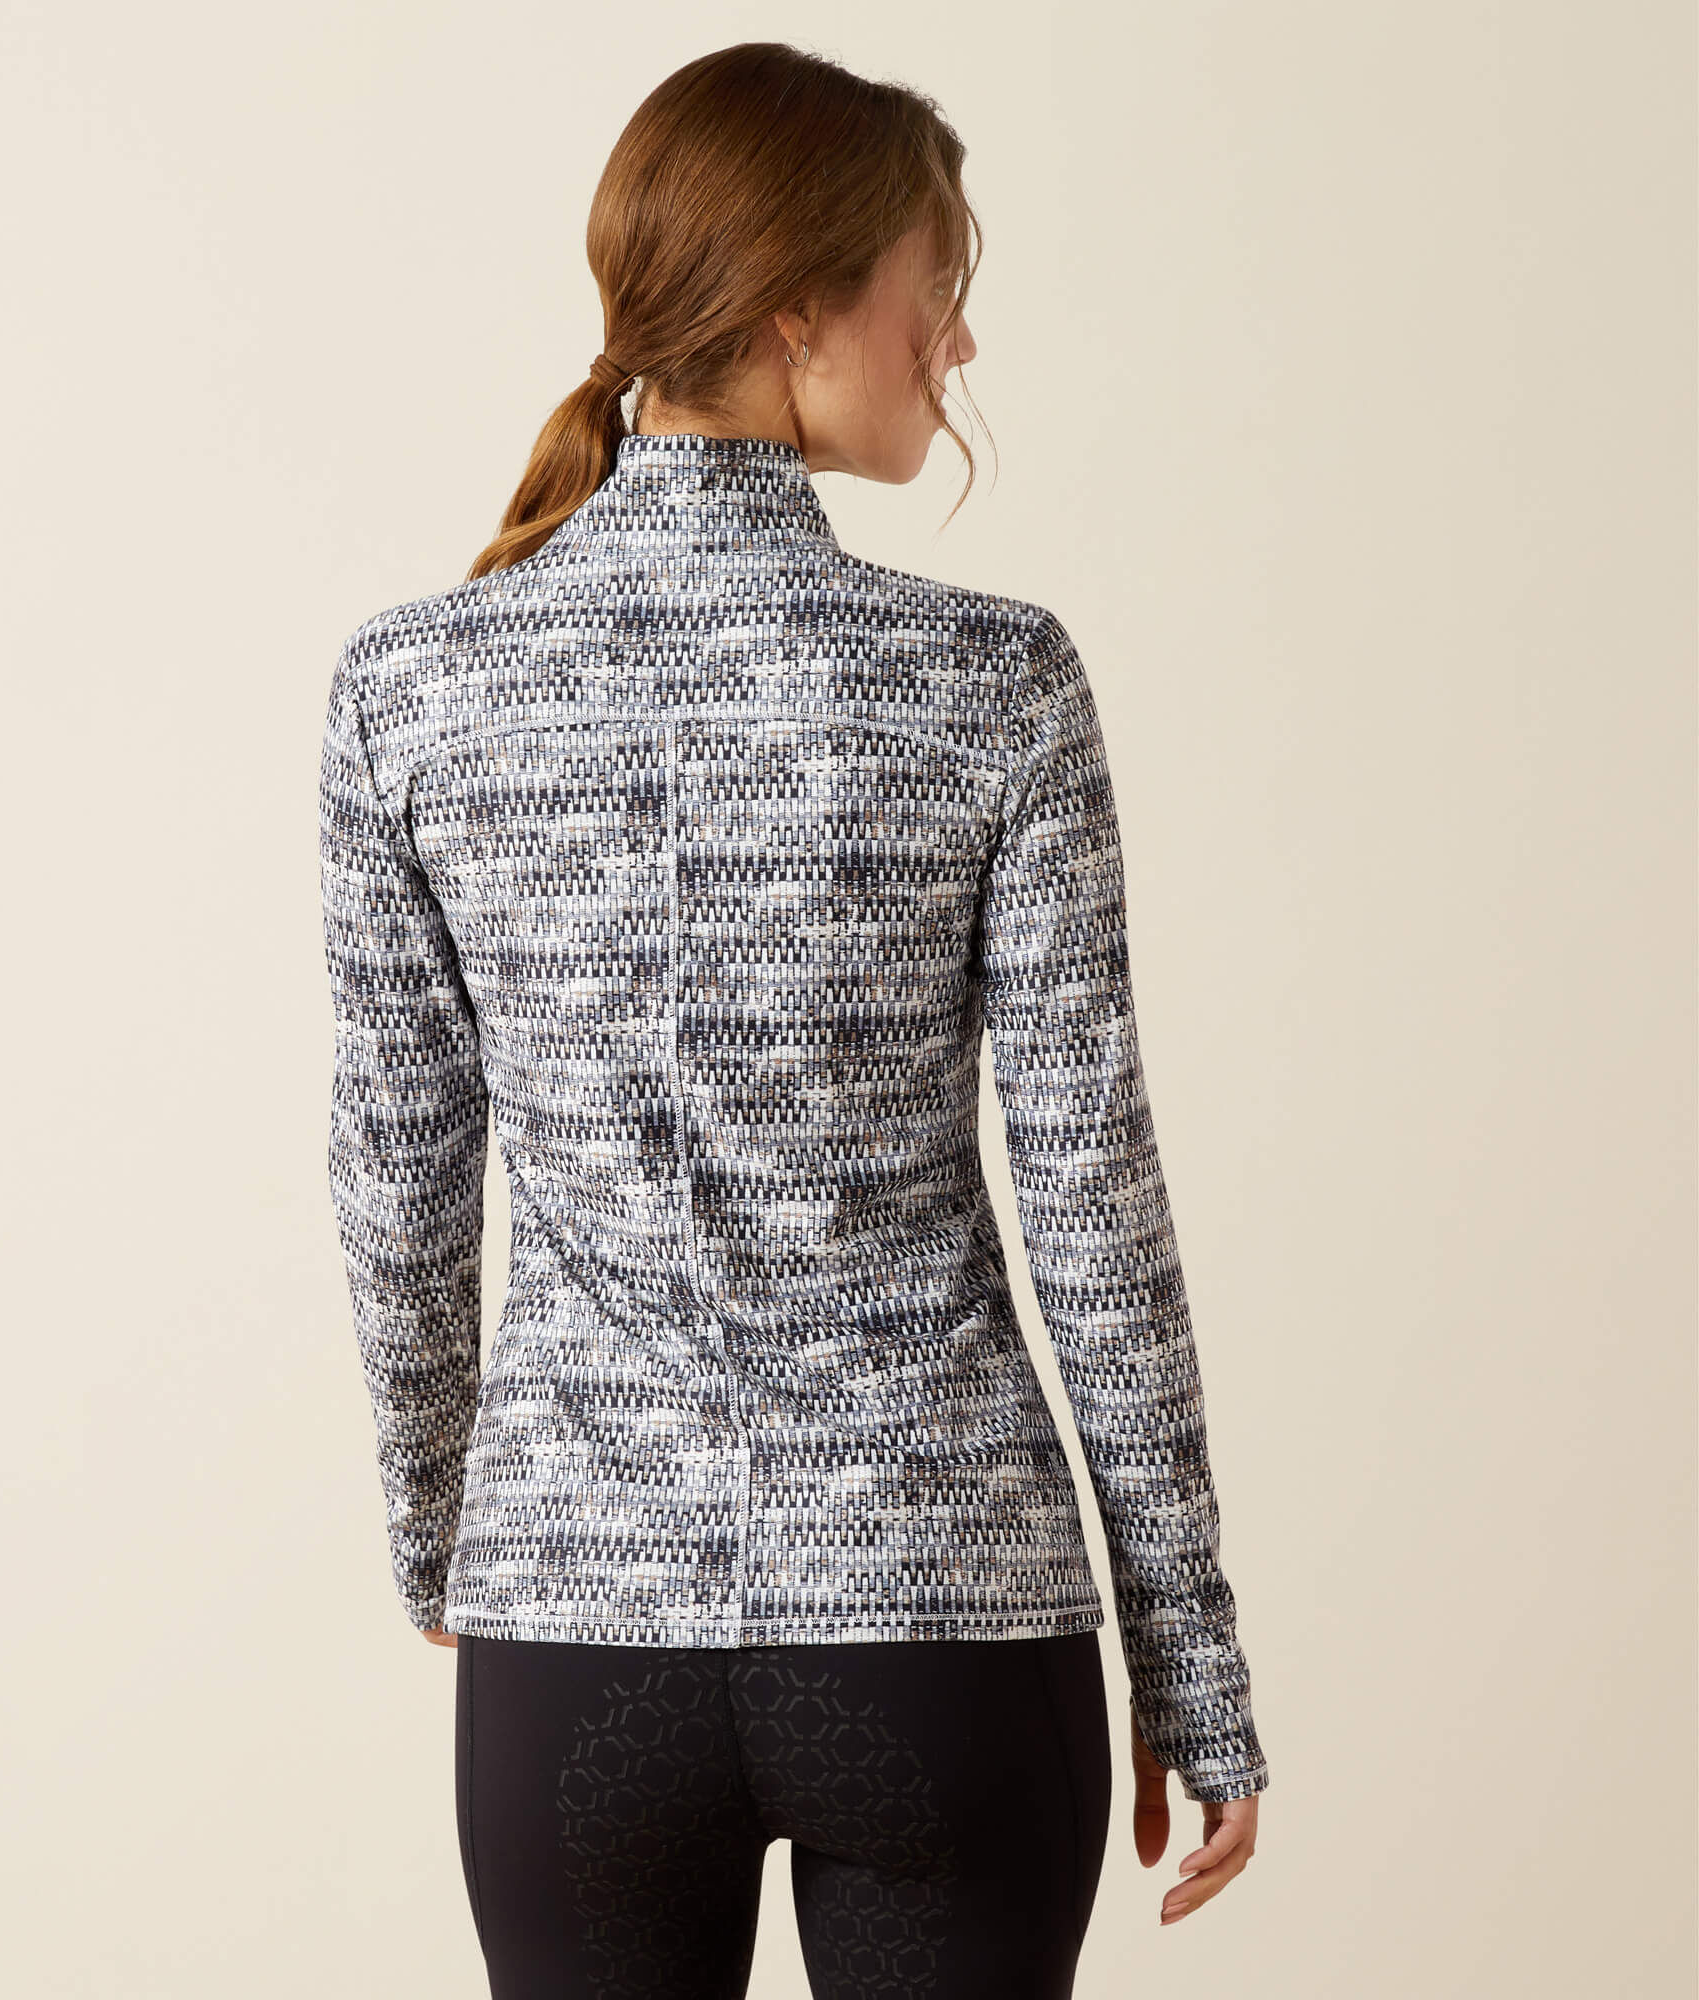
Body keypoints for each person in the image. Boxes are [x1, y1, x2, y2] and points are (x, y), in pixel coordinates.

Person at [318, 40, 1268, 1999]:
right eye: (940, 284)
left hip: (573, 1642)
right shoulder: (993, 685)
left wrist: (445, 1533)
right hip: (942, 1623)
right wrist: (1187, 1646)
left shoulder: (411, 691)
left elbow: (397, 1178)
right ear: (795, 308)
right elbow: (1091, 1201)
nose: (961, 340)